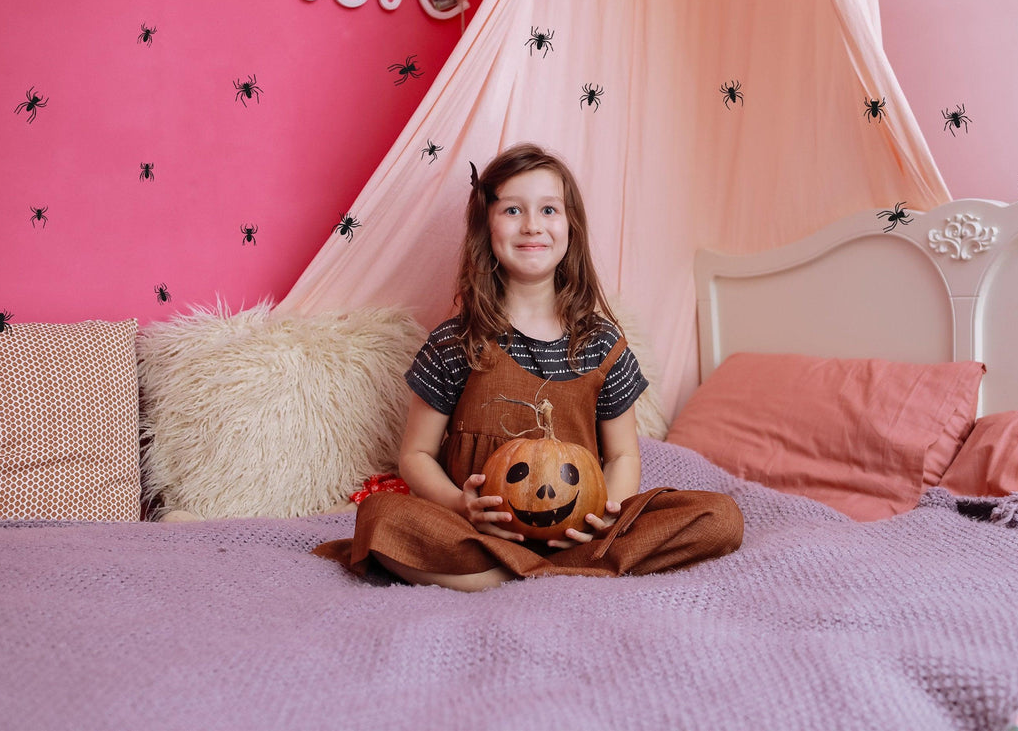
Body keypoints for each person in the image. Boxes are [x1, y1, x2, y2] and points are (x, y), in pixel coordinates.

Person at [313, 143, 742, 591]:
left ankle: (522, 574)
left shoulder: (603, 344)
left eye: (549, 210)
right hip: (479, 534)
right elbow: (415, 455)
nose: (533, 225)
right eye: (513, 210)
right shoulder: (456, 342)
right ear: (487, 228)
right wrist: (462, 506)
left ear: (571, 227)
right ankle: (541, 574)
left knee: (719, 518)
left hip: (578, 535)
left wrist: (601, 518)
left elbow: (621, 455)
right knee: (381, 517)